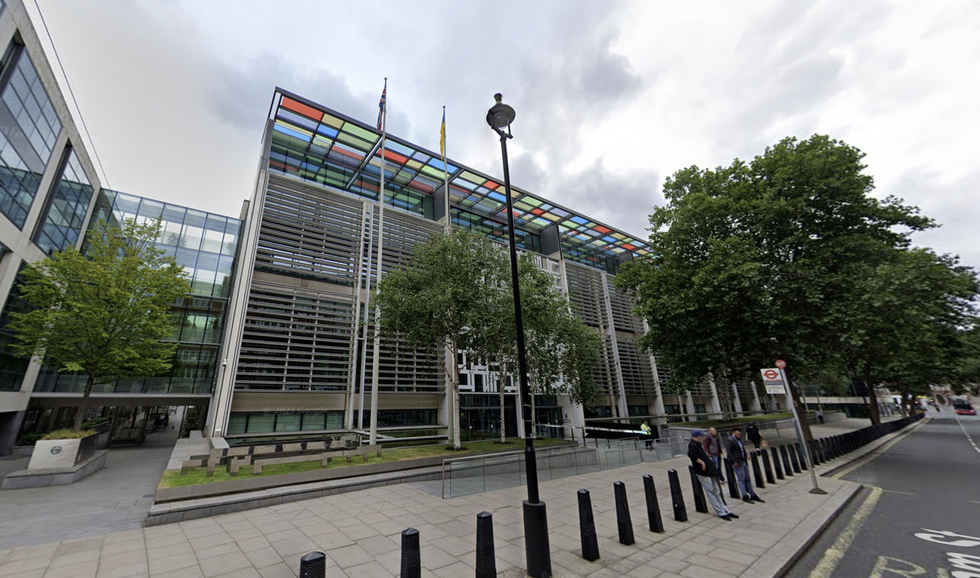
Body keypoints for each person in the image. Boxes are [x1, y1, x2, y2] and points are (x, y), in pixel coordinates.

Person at [688, 430, 739, 521]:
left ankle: (725, 510)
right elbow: (691, 454)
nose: (702, 438)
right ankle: (720, 512)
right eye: (701, 436)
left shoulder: (699, 444)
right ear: (697, 436)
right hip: (703, 472)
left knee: (717, 491)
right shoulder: (692, 445)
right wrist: (702, 463)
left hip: (711, 471)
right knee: (711, 492)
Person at [726, 428, 765, 504]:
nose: (739, 435)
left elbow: (741, 448)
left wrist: (746, 454)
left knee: (747, 478)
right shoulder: (730, 440)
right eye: (737, 434)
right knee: (741, 479)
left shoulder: (739, 440)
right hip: (737, 462)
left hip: (743, 461)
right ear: (733, 433)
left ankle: (752, 494)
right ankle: (744, 495)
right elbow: (729, 452)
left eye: (740, 434)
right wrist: (733, 461)